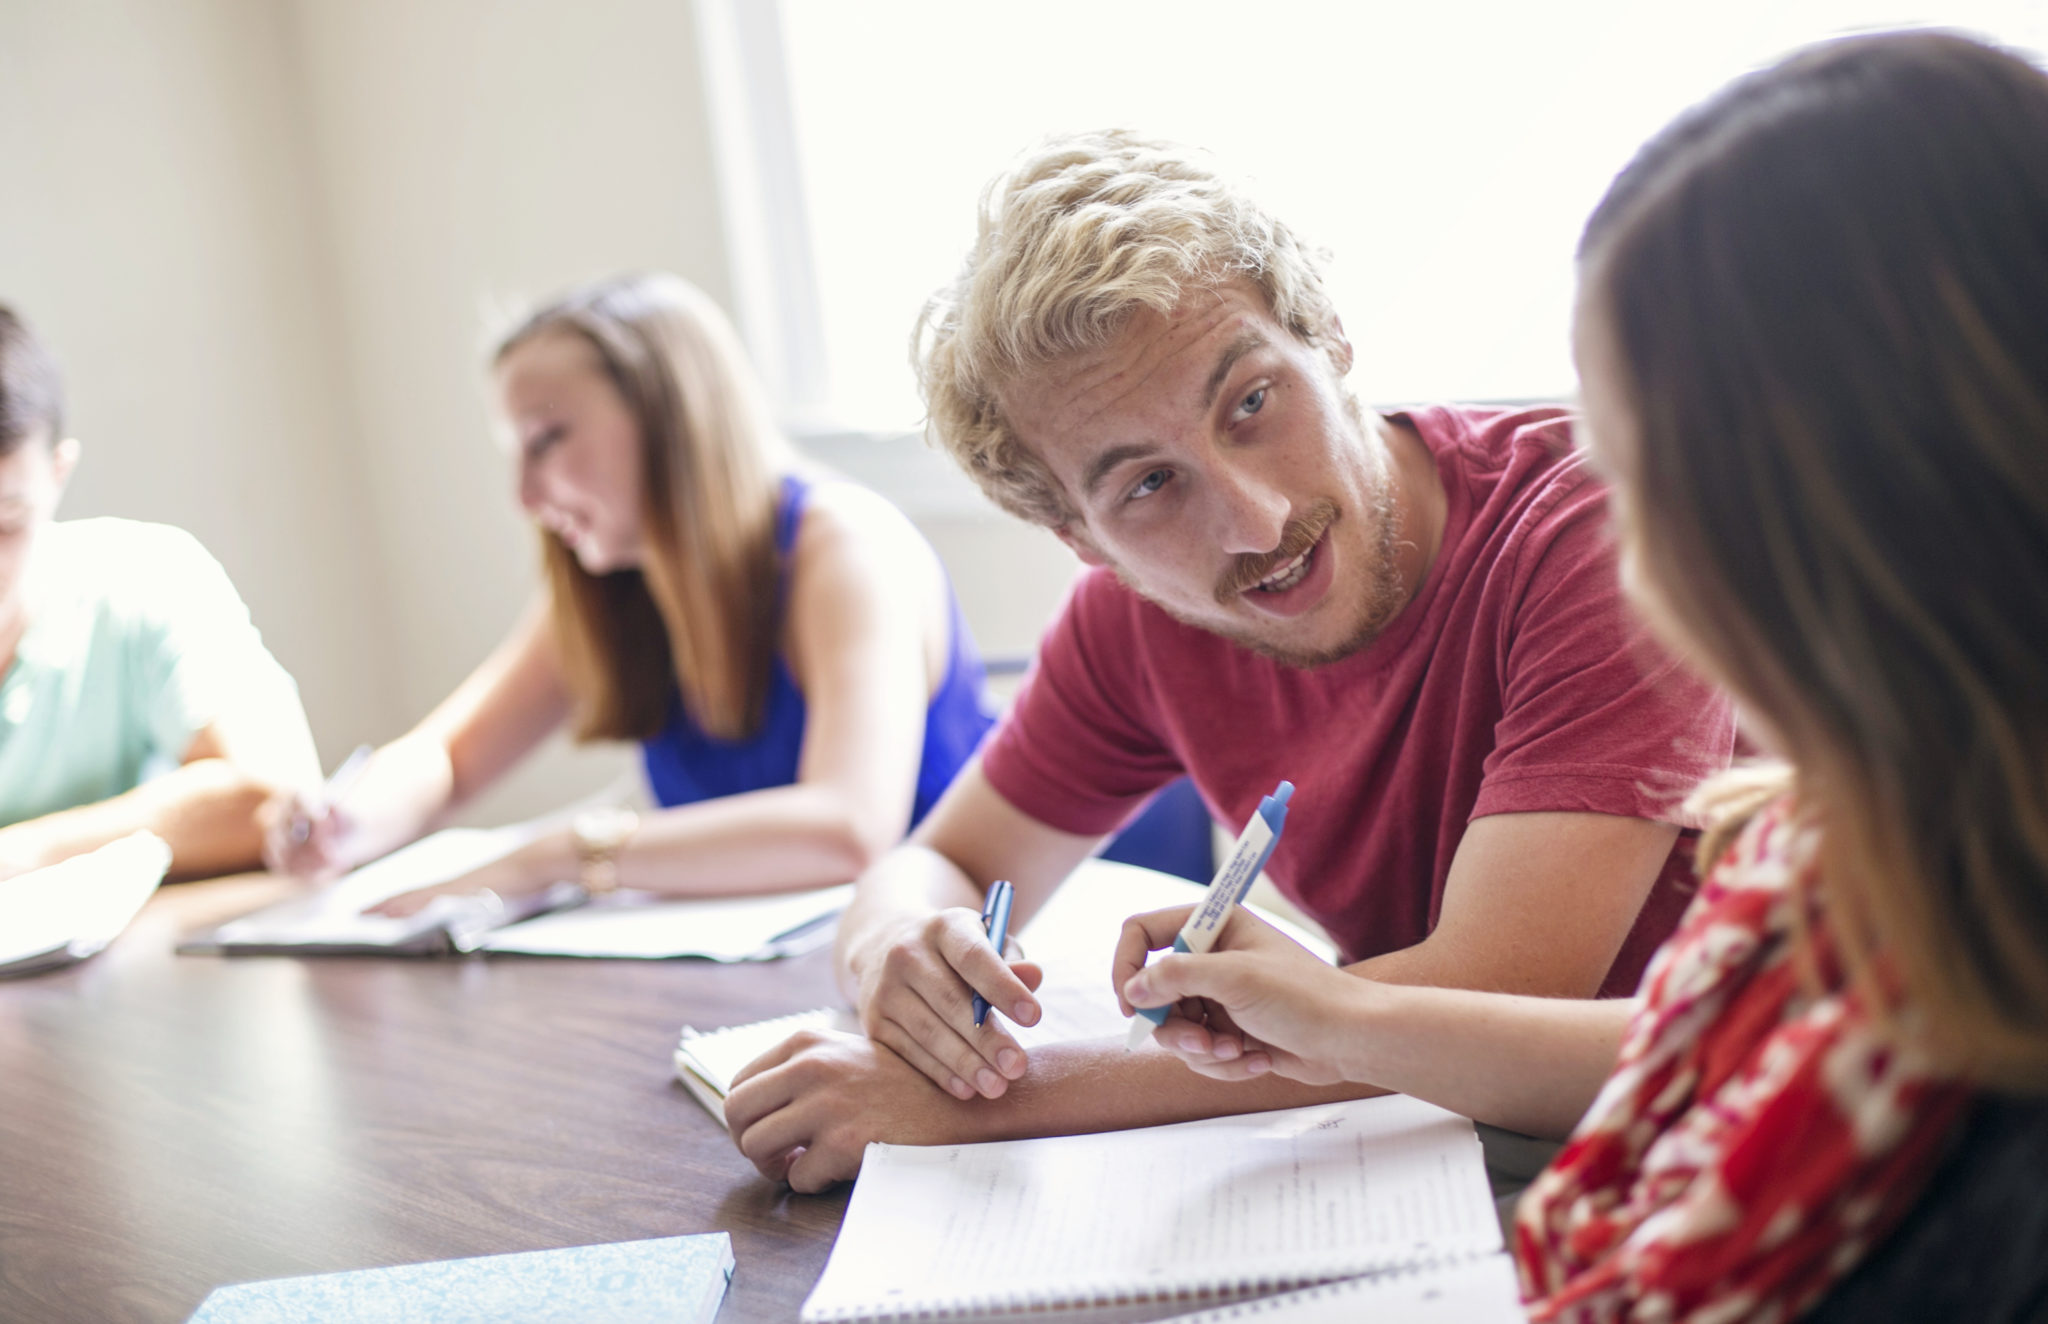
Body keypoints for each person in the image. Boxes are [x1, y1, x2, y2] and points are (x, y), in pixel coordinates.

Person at [1113, 31, 2048, 1320]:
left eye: (1642, 478)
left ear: (1850, 500)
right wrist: (1321, 1012)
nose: (1633, 563)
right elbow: (1681, 1042)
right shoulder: (1850, 842)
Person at [722, 133, 1737, 1190]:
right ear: (1081, 540)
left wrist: (972, 1102)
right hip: (1449, 1160)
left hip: (1730, 1150)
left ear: (1330, 340)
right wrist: (895, 949)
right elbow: (946, 860)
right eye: (1147, 488)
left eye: (1251, 402)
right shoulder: (1130, 623)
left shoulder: (1594, 527)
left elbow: (1503, 992)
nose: (1255, 523)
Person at [262, 273, 996, 910]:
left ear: (668, 417)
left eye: (546, 439)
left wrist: (552, 856)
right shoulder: (616, 584)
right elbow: (451, 757)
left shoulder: (844, 546)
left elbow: (848, 830)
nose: (523, 495)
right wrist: (344, 821)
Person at [0, 304, 318, 879]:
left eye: (7, 519)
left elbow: (278, 795)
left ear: (57, 473)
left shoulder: (143, 578)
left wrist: (23, 856)